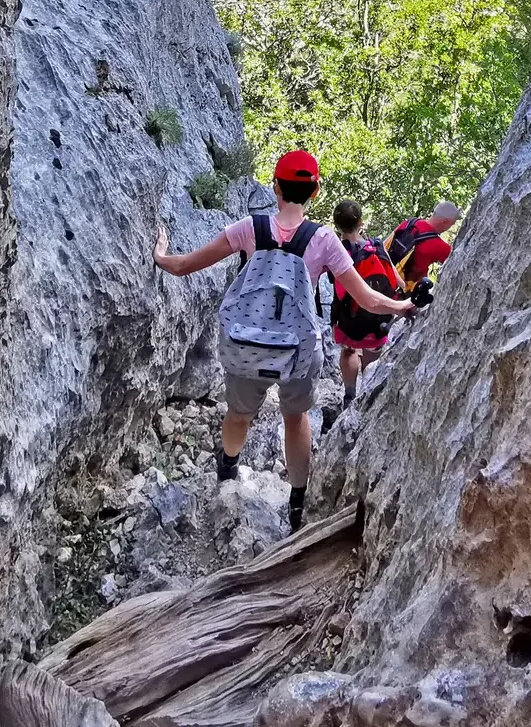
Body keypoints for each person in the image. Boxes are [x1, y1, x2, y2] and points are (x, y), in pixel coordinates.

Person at [152, 150, 415, 531]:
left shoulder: (248, 228)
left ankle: (228, 466)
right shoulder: (324, 240)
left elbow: (184, 266)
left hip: (247, 343)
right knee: (296, 418)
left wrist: (161, 255)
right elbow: (365, 298)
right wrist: (403, 305)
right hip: (298, 350)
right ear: (316, 191)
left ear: (275, 186)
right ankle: (297, 500)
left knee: (239, 413)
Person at [329, 199, 401, 411]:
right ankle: (368, 393)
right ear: (361, 222)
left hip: (347, 317)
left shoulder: (337, 251)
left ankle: (350, 394)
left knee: (349, 350)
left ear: (337, 225)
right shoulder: (377, 246)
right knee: (372, 351)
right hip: (378, 316)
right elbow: (397, 282)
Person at [384, 200, 461, 291]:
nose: (449, 228)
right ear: (444, 222)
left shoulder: (410, 222)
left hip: (384, 273)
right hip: (406, 292)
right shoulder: (438, 246)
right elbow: (459, 262)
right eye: (451, 225)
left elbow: (385, 243)